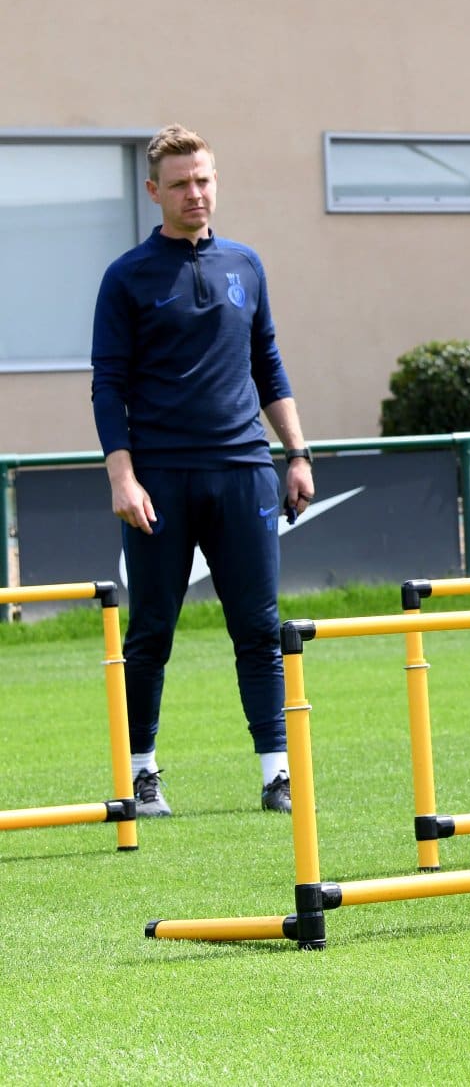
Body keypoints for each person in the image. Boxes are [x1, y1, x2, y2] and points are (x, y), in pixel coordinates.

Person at [90, 124, 316, 818]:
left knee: (258, 626)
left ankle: (277, 774)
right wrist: (122, 477)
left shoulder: (246, 265)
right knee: (151, 631)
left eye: (205, 180)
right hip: (160, 479)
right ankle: (142, 773)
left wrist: (297, 452)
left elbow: (267, 363)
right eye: (182, 183)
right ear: (154, 191)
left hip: (244, 470)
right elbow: (108, 384)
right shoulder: (127, 276)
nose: (196, 193)